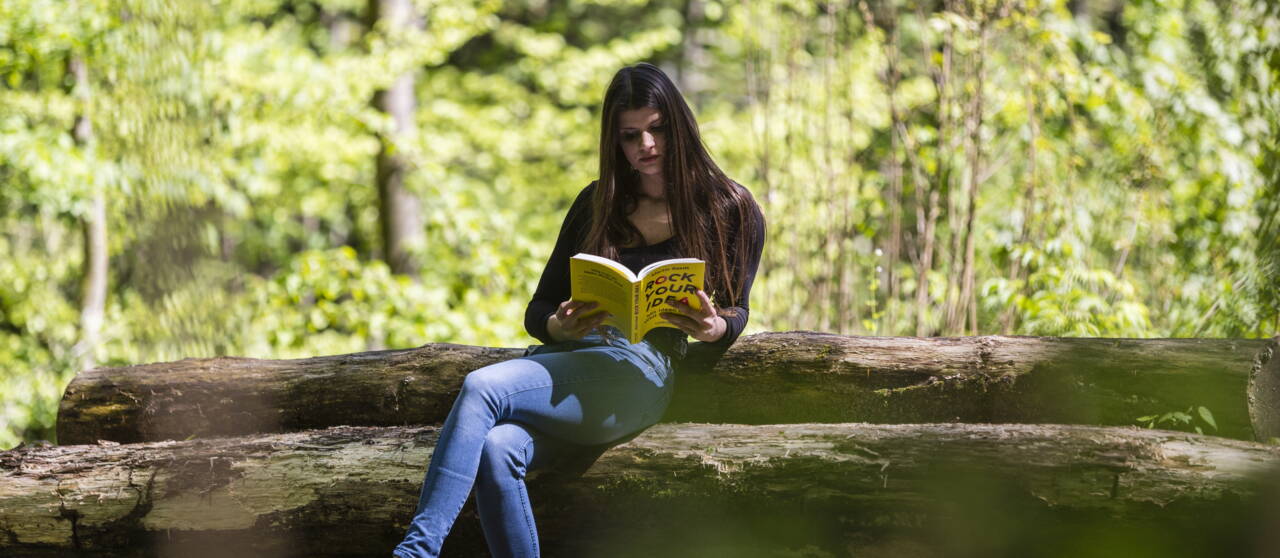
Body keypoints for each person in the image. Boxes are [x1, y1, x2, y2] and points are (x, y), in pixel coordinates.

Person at [393, 62, 766, 558]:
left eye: (657, 129)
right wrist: (559, 326)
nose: (646, 146)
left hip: (642, 374)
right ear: (615, 142)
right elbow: (538, 308)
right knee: (498, 448)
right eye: (630, 136)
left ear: (679, 125)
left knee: (482, 386)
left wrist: (714, 326)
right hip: (576, 367)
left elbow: (738, 310)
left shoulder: (729, 206)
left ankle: (416, 552)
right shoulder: (598, 203)